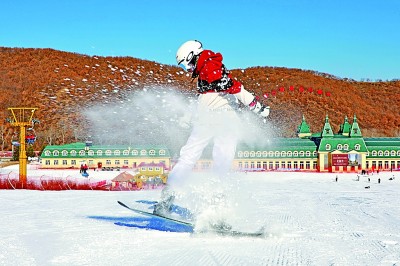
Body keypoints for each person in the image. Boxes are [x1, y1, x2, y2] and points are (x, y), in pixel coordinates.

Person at [153, 40, 270, 215]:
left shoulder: (209, 67)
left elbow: (233, 87)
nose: (187, 69)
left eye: (186, 63)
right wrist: (189, 117)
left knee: (190, 157)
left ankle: (167, 201)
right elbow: (210, 96)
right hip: (224, 121)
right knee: (221, 162)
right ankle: (215, 208)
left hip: (215, 120)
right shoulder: (208, 67)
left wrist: (255, 106)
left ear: (193, 55)